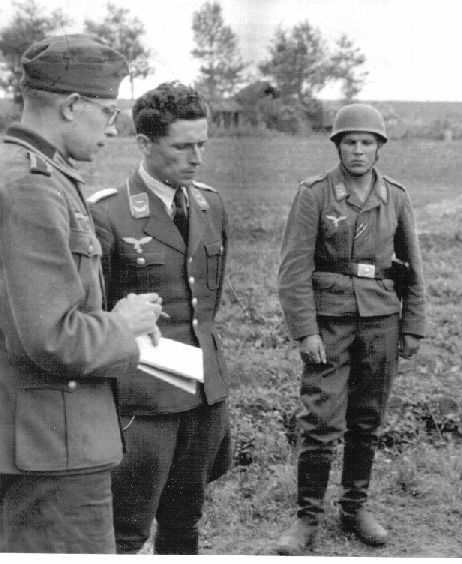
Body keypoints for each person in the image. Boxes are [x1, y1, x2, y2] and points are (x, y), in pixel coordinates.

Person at [0, 34, 163, 553]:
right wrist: (125, 323)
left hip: (33, 435)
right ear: (72, 106)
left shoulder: (27, 172)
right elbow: (52, 338)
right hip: (55, 450)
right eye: (108, 112)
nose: (114, 129)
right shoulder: (31, 186)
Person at [276, 103, 427, 555]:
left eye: (366, 142)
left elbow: (413, 266)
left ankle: (354, 506)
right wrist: (305, 331)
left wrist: (413, 324)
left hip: (381, 319)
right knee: (320, 420)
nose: (358, 151)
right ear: (337, 146)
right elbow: (294, 269)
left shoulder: (395, 196)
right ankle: (307, 517)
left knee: (368, 419)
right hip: (330, 323)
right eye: (350, 142)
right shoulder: (315, 194)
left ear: (379, 148)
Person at [87, 82, 231, 555]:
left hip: (203, 397)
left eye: (202, 145)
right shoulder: (107, 214)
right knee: (125, 532)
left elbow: (207, 308)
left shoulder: (210, 205)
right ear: (145, 144)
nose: (196, 158)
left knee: (184, 525)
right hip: (142, 404)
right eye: (183, 146)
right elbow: (97, 317)